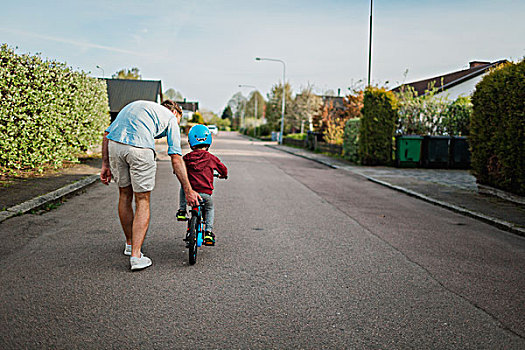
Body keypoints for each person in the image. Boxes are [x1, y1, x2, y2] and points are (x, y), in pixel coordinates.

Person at [100, 99, 200, 271]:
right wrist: (188, 190)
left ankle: (130, 244)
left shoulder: (136, 105)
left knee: (124, 195)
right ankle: (136, 257)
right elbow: (176, 157)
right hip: (140, 149)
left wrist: (105, 165)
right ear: (175, 113)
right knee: (142, 200)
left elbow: (106, 135)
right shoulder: (170, 118)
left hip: (115, 146)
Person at [176, 124, 228, 246]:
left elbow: (178, 169)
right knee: (209, 208)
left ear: (190, 142)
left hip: (191, 193)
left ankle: (182, 211)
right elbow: (223, 169)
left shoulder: (187, 158)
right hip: (205, 195)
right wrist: (223, 174)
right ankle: (208, 232)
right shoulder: (211, 158)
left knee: (184, 187)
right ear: (209, 141)